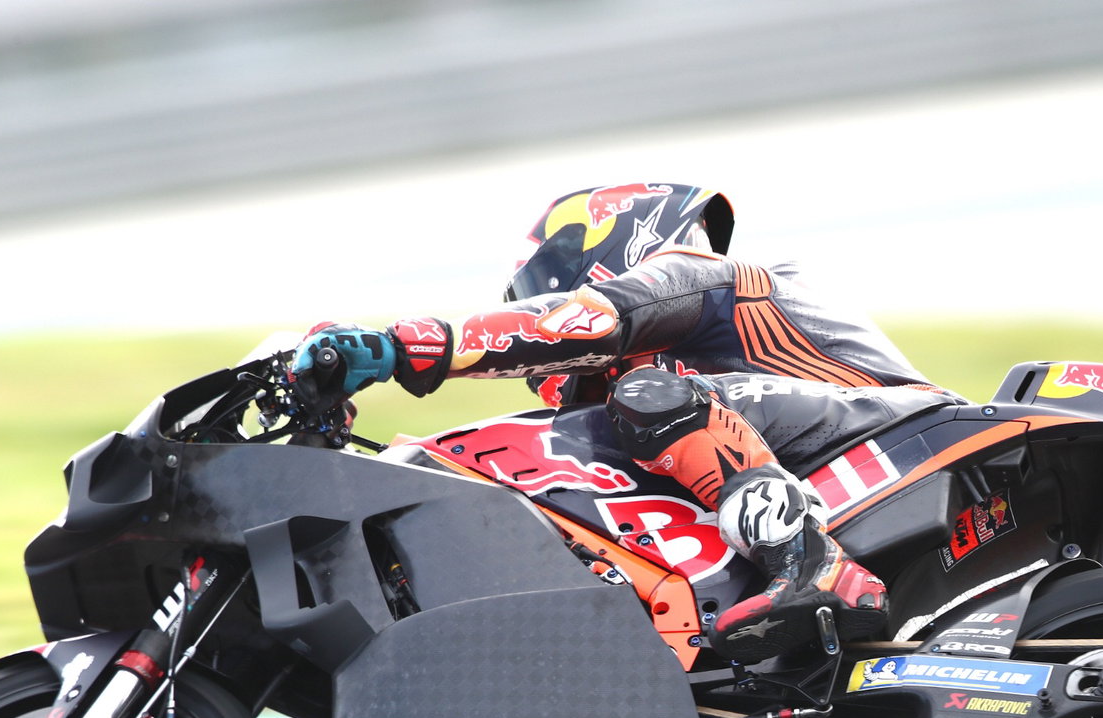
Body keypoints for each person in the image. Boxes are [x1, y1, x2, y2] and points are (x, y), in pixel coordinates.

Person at [288, 183, 957, 662]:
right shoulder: (694, 395)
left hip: (897, 432)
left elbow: (588, 321)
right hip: (830, 467)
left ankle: (809, 561)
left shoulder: (702, 276)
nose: (558, 384)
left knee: (644, 397)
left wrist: (403, 347)